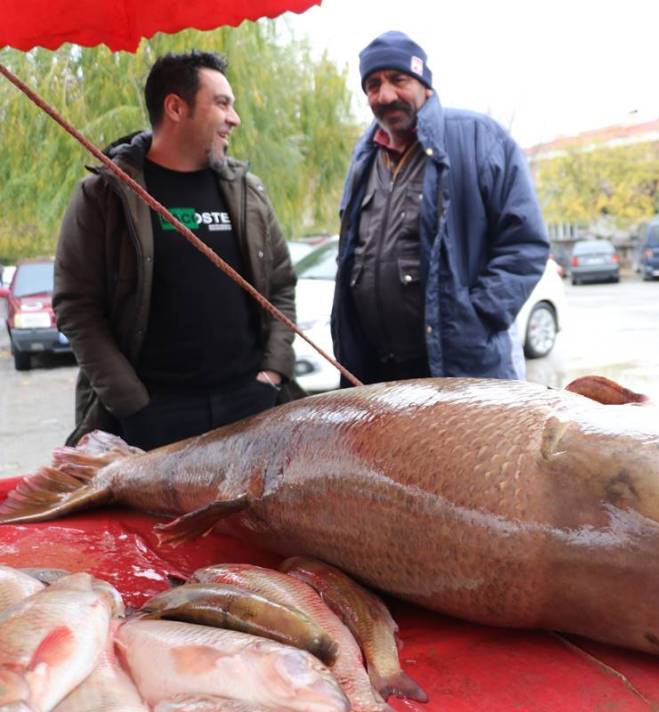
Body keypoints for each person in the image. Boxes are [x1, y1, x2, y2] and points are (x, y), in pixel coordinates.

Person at [53, 51, 300, 450]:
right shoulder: (105, 195)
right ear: (175, 107)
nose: (234, 118)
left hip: (250, 406)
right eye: (222, 103)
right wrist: (132, 404)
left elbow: (281, 287)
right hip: (150, 418)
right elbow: (76, 307)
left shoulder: (247, 192)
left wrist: (273, 373)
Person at [332, 31, 549, 384]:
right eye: (373, 85)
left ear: (425, 85)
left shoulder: (480, 138)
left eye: (398, 80)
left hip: (458, 367)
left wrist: (477, 318)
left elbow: (526, 244)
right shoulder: (364, 157)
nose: (385, 95)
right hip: (378, 374)